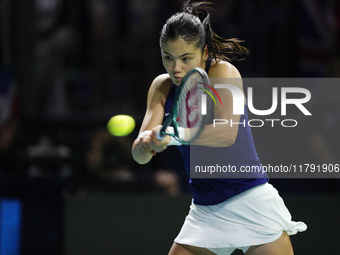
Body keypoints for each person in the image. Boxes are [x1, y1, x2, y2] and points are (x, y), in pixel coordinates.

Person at [132, 1, 307, 254]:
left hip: (249, 199)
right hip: (205, 209)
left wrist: (173, 137)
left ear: (204, 52)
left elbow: (226, 134)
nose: (176, 68)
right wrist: (147, 143)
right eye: (168, 57)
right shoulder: (161, 87)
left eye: (185, 58)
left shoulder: (224, 72)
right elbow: (139, 157)